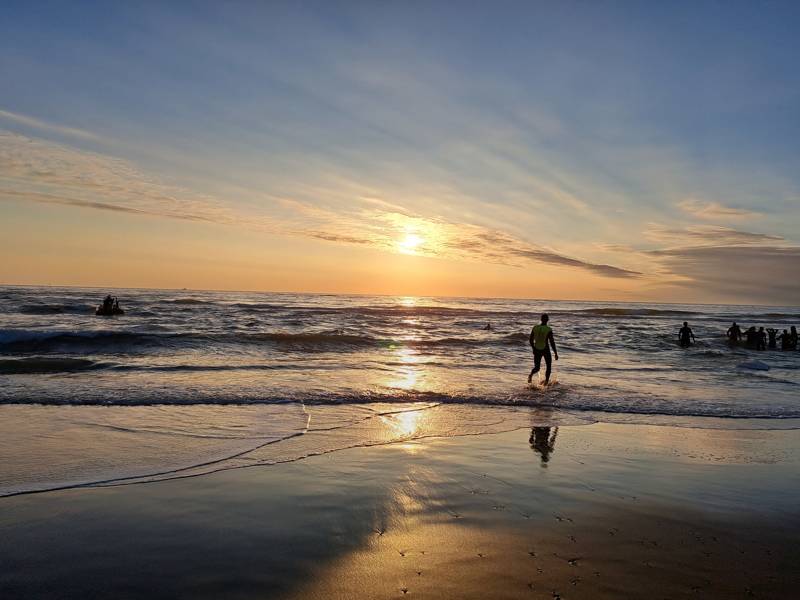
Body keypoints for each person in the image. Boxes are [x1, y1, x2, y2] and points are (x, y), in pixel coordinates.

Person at [528, 313, 558, 384]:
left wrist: (533, 348)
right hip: (545, 349)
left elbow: (530, 340)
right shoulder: (548, 329)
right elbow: (552, 342)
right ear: (548, 320)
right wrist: (555, 353)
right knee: (548, 366)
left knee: (537, 367)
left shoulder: (535, 327)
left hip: (536, 349)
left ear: (541, 319)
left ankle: (531, 375)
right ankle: (546, 382)